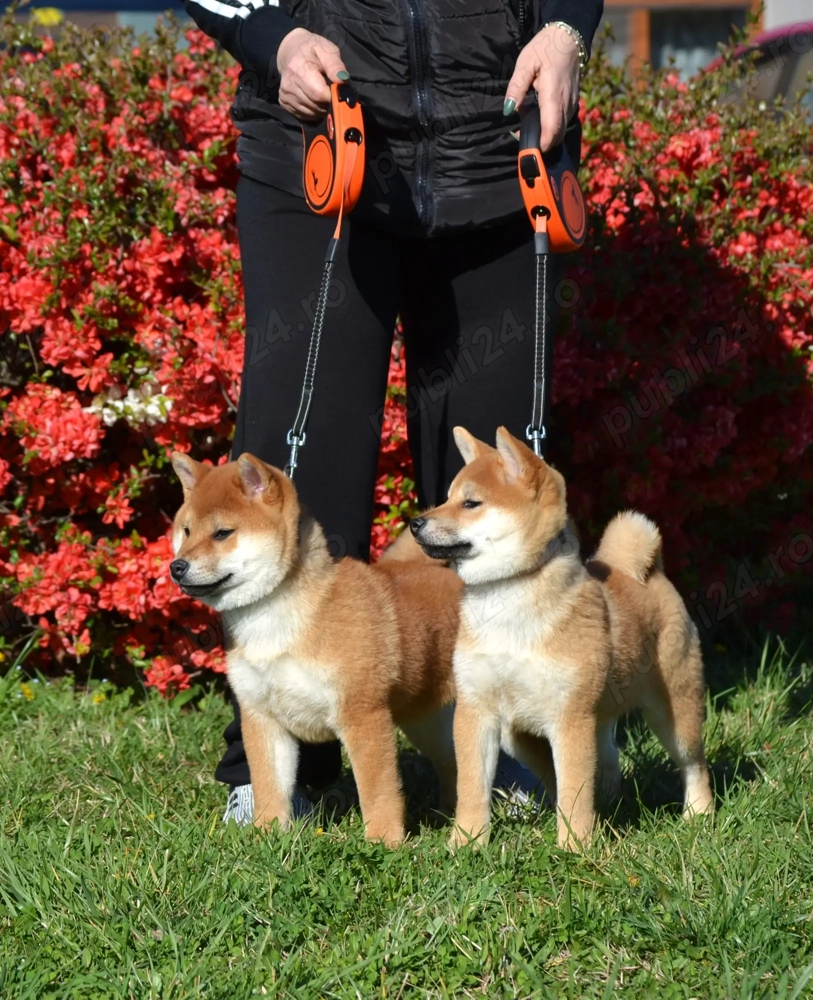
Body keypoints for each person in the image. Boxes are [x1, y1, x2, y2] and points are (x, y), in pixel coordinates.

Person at [183, 0, 604, 822]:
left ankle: (497, 741)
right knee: (297, 464)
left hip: (499, 151)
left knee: (491, 482)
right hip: (322, 145)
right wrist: (272, 36)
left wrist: (565, 32)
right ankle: (275, 771)